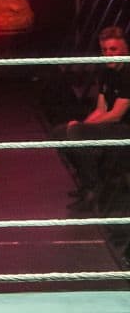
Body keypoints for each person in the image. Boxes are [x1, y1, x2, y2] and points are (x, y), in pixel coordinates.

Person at [53, 26, 130, 212]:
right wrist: (80, 126)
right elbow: (101, 109)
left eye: (113, 50)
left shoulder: (128, 73)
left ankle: (94, 190)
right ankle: (87, 183)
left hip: (124, 127)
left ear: (124, 50)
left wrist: (80, 128)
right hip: (112, 125)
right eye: (105, 50)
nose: (108, 54)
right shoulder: (106, 73)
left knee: (77, 132)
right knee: (60, 133)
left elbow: (116, 114)